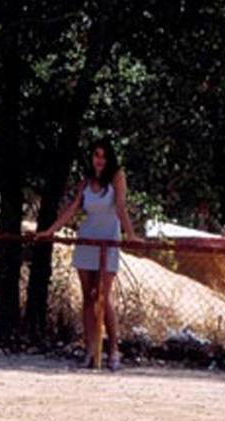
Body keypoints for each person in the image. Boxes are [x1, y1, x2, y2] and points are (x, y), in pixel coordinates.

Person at [37, 138, 137, 371]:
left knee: (103, 296)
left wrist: (130, 234)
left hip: (108, 240)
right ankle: (90, 348)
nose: (99, 160)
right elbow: (72, 209)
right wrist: (50, 231)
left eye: (103, 156)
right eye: (96, 155)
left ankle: (113, 349)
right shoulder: (85, 183)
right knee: (88, 297)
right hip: (87, 241)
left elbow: (121, 207)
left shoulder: (117, 177)